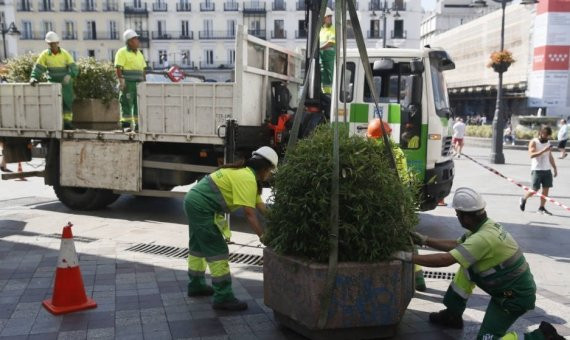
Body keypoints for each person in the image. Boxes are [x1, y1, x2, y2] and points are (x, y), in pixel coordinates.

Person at [392, 188, 564, 340]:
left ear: (466, 217)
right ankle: (452, 314)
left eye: (458, 214)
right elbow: (457, 246)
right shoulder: (484, 227)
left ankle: (541, 337)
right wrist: (425, 240)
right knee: (467, 268)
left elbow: (445, 260)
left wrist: (407, 257)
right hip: (506, 291)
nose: (457, 217)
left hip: (513, 298)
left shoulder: (481, 239)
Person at [184, 146, 278, 311]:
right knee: (218, 250)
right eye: (270, 171)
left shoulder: (246, 174)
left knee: (198, 247)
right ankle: (223, 297)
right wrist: (264, 238)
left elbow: (261, 207)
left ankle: (196, 285)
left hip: (194, 202)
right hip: (201, 207)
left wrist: (278, 221)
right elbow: (250, 214)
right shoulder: (247, 179)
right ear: (264, 168)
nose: (269, 175)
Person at [367, 119, 426, 291]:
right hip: (404, 198)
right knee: (408, 237)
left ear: (376, 137)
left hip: (388, 199)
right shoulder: (397, 150)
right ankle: (419, 278)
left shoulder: (377, 152)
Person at [29, 31, 79, 130]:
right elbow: (39, 68)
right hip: (52, 83)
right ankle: (54, 124)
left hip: (66, 83)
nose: (53, 46)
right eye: (51, 44)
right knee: (53, 104)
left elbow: (74, 68)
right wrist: (34, 77)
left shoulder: (65, 54)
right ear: (48, 44)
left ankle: (67, 123)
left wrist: (70, 75)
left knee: (67, 103)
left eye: (54, 43)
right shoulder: (45, 55)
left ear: (58, 43)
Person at [519, 126, 558, 215]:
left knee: (546, 189)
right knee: (535, 189)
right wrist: (543, 150)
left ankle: (542, 207)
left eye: (548, 135)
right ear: (540, 132)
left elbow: (550, 156)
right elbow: (531, 155)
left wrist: (555, 168)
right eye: (545, 134)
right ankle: (524, 198)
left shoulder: (548, 142)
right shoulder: (534, 142)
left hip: (547, 169)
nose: (546, 136)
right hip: (537, 169)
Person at [115, 29, 147, 132]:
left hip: (139, 83)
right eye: (135, 39)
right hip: (128, 83)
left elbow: (143, 69)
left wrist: (144, 83)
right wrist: (121, 81)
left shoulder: (139, 54)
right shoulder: (122, 52)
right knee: (126, 103)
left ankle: (138, 126)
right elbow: (118, 67)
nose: (138, 41)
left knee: (138, 104)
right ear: (129, 41)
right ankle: (126, 126)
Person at [319, 7, 335, 95]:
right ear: (323, 18)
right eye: (328, 16)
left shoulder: (332, 29)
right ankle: (326, 93)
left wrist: (319, 48)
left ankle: (331, 94)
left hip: (330, 58)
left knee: (330, 77)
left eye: (330, 16)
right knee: (324, 78)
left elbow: (331, 43)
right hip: (322, 58)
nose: (330, 18)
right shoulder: (321, 30)